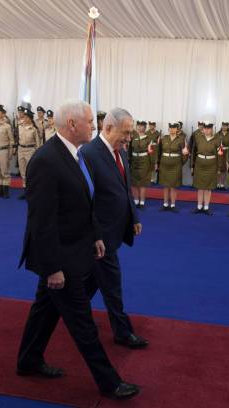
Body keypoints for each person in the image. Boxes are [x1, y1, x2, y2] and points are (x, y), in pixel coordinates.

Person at [17, 100, 138, 400]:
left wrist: (95, 235)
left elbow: (84, 203)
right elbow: (41, 221)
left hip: (76, 247)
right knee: (83, 323)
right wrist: (52, 267)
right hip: (61, 257)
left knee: (44, 310)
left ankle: (28, 360)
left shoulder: (73, 155)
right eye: (89, 122)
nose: (94, 127)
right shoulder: (47, 160)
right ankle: (109, 382)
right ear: (72, 125)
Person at [79, 107, 149, 349]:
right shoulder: (88, 153)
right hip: (100, 237)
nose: (129, 138)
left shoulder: (119, 151)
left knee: (91, 280)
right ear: (108, 128)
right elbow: (85, 201)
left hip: (115, 230)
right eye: (126, 132)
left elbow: (124, 187)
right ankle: (122, 331)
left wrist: (134, 216)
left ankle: (72, 312)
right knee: (112, 283)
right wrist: (95, 235)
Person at [191, 120, 220, 214]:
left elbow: (220, 155)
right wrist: (192, 165)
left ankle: (206, 207)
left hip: (211, 165)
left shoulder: (217, 139)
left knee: (208, 187)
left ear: (211, 129)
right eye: (205, 128)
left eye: (209, 128)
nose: (207, 130)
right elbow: (193, 152)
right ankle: (199, 206)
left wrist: (218, 168)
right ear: (203, 129)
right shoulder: (198, 138)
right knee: (200, 187)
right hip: (199, 164)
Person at [158, 121, 188, 211]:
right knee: (166, 185)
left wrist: (180, 163)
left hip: (176, 166)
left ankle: (173, 205)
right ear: (168, 129)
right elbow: (159, 152)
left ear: (177, 129)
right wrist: (158, 163)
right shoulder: (163, 139)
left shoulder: (181, 139)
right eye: (170, 128)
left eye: (174, 128)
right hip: (164, 165)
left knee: (174, 186)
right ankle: (165, 204)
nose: (172, 130)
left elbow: (185, 154)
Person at [0, 103, 15, 199]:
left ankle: (6, 190)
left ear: (3, 114)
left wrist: (11, 151)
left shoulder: (7, 126)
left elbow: (11, 140)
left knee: (5, 171)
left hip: (3, 150)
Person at [17, 108, 42, 200]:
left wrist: (37, 154)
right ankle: (25, 191)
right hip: (21, 150)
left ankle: (32, 191)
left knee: (30, 172)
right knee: (23, 172)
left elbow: (38, 144)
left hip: (30, 150)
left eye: (27, 117)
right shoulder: (19, 127)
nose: (25, 119)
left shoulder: (34, 129)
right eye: (24, 117)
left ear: (31, 118)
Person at [128, 120, 153, 208]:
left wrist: (152, 164)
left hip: (144, 161)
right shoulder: (132, 137)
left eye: (142, 126)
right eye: (138, 125)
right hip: (134, 160)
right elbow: (130, 150)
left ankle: (142, 202)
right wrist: (128, 160)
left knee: (142, 183)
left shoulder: (148, 138)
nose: (139, 127)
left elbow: (151, 152)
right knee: (134, 182)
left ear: (145, 127)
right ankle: (136, 200)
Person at [216, 122, 229, 190]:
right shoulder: (217, 134)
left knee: (224, 169)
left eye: (226, 126)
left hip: (226, 153)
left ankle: (222, 184)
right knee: (218, 169)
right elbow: (215, 143)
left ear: (228, 126)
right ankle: (217, 184)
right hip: (219, 153)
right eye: (223, 125)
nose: (224, 127)